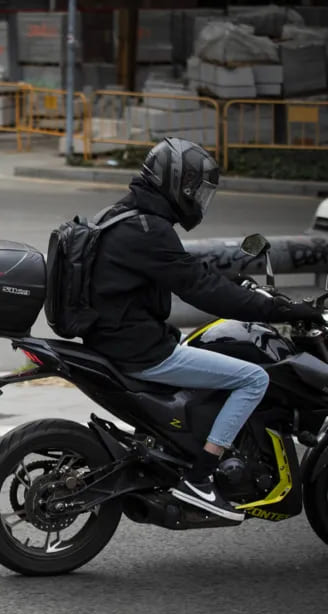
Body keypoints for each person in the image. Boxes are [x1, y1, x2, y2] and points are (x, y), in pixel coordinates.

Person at [83, 137, 323, 521]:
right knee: (253, 379)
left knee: (205, 355)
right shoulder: (149, 230)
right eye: (195, 189)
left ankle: (183, 447)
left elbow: (187, 272)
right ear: (175, 182)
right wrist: (280, 307)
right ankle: (200, 478)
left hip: (111, 339)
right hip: (139, 349)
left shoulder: (120, 216)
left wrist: (229, 287)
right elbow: (202, 290)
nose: (197, 198)